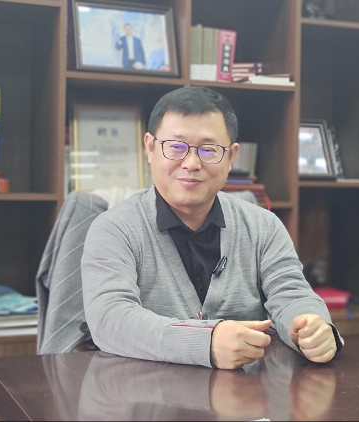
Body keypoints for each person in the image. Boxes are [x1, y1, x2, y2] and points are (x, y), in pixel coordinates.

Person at [81, 86, 343, 370]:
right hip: (146, 392)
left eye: (208, 150)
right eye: (176, 147)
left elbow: (291, 294)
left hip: (243, 393)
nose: (192, 163)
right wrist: (206, 342)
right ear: (150, 148)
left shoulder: (263, 226)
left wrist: (312, 327)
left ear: (231, 157)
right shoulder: (114, 229)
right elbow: (109, 319)